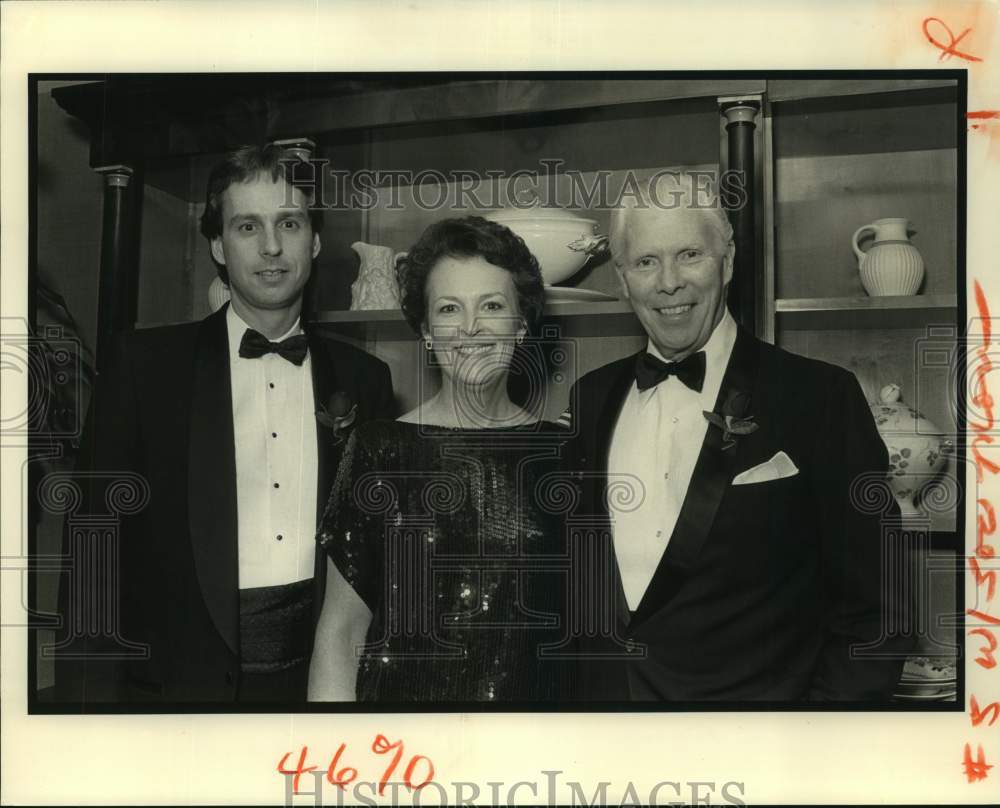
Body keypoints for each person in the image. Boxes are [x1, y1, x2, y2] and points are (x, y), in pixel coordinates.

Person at [54, 144, 395, 703]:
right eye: (246, 226)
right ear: (217, 244)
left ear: (313, 241)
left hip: (324, 688)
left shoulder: (365, 379)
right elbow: (94, 556)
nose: (270, 246)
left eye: (288, 222)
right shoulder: (142, 368)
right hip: (178, 695)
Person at [564, 173, 914, 701]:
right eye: (645, 262)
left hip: (762, 758)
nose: (668, 283)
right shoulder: (588, 398)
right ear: (622, 277)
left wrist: (811, 753)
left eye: (689, 254)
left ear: (727, 261)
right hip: (607, 757)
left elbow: (878, 614)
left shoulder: (820, 397)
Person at [308, 216, 570, 703]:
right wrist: (336, 763)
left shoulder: (564, 455)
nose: (470, 328)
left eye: (491, 305)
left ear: (521, 323)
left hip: (530, 752)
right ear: (427, 331)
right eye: (449, 309)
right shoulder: (379, 450)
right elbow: (341, 634)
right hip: (401, 755)